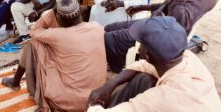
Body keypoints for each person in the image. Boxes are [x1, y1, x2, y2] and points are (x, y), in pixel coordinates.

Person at [87, 16, 221, 112]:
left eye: (140, 42)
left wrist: (94, 104)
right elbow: (143, 65)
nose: (137, 44)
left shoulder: (164, 97)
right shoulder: (187, 57)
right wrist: (110, 85)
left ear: (146, 54)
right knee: (143, 78)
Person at [2, 0, 107, 111]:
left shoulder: (58, 35)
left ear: (58, 17)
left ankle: (15, 81)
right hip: (97, 96)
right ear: (79, 13)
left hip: (70, 102)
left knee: (33, 44)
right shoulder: (97, 27)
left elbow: (33, 31)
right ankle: (15, 81)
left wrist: (53, 10)